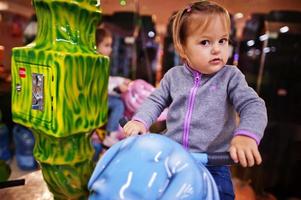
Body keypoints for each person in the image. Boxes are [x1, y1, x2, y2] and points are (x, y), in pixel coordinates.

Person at [123, 1, 268, 199]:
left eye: (222, 40)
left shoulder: (231, 77)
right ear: (182, 49)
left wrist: (247, 135)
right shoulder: (174, 76)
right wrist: (140, 120)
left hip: (213, 164)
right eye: (205, 42)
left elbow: (253, 105)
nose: (217, 49)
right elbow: (155, 101)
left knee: (221, 195)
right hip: (171, 158)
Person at [96, 27, 131, 147]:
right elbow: (99, 85)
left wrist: (122, 81)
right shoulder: (96, 64)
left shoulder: (102, 62)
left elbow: (108, 79)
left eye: (110, 45)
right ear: (96, 46)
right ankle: (111, 134)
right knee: (118, 104)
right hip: (95, 99)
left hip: (100, 97)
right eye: (106, 45)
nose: (110, 49)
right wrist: (116, 89)